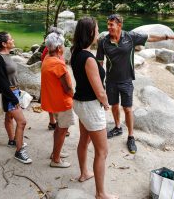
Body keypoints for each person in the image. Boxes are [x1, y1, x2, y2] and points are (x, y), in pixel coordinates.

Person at [96, 14, 174, 154]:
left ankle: (131, 136)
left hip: (126, 80)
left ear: (119, 25)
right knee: (114, 105)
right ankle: (118, 127)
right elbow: (99, 64)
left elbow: (150, 37)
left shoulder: (130, 37)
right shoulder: (103, 42)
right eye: (108, 24)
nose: (109, 27)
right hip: (111, 80)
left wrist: (168, 37)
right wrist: (99, 84)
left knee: (128, 109)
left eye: (111, 24)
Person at [71, 17, 118, 199]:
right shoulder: (88, 58)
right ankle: (100, 194)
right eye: (97, 30)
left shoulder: (76, 52)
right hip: (90, 106)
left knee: (84, 140)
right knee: (102, 151)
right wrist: (106, 103)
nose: (99, 33)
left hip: (80, 103)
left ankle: (84, 173)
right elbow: (99, 91)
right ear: (90, 32)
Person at [0, 32, 32, 164]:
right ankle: (19, 152)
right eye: (10, 39)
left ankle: (12, 140)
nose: (13, 40)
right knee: (22, 122)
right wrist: (14, 99)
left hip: (15, 91)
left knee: (10, 117)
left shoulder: (8, 56)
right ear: (4, 44)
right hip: (9, 94)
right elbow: (2, 83)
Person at [41, 32, 75, 168]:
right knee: (62, 130)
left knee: (58, 129)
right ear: (59, 48)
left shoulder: (47, 59)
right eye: (63, 45)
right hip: (62, 102)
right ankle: (56, 160)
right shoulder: (58, 64)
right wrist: (74, 95)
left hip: (53, 102)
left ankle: (55, 153)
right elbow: (67, 88)